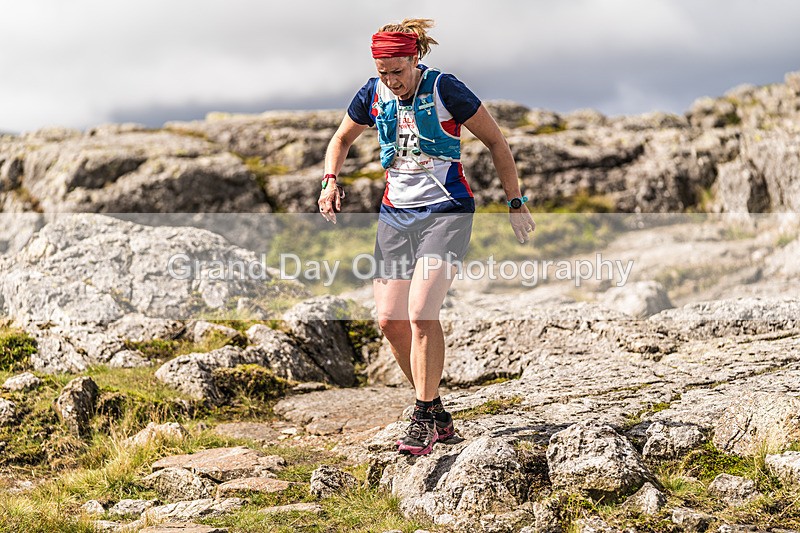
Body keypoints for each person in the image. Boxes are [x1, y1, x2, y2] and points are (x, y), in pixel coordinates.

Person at [318, 18, 535, 456]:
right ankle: (434, 409)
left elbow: (497, 142)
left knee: (420, 312)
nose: (391, 80)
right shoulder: (372, 93)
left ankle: (420, 415)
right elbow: (341, 138)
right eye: (383, 72)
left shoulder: (445, 89)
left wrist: (514, 202)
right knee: (389, 322)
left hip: (446, 212)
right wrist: (329, 180)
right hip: (396, 217)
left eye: (397, 71)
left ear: (415, 58)